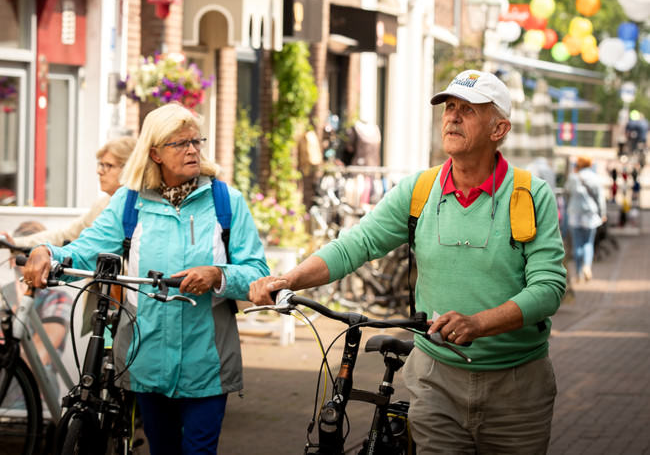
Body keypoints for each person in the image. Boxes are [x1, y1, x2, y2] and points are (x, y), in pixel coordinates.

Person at [250, 69, 567, 454]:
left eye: (468, 110)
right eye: (450, 107)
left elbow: (549, 288)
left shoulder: (530, 194)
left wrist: (479, 324)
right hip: (436, 380)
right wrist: (290, 279)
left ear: (498, 129)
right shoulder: (419, 189)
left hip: (518, 386)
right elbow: (357, 244)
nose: (451, 117)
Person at [23, 103, 269, 454]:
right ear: (154, 153)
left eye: (196, 141)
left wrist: (218, 275)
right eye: (180, 143)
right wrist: (49, 252)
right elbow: (88, 247)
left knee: (199, 450)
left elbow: (257, 273)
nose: (192, 150)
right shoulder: (128, 203)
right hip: (146, 357)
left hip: (208, 362)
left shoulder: (226, 202)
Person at [11, 135, 137, 250]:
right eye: (100, 164)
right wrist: (14, 243)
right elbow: (65, 235)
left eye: (108, 165)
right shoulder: (102, 205)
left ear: (129, 169)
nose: (99, 171)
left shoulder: (139, 208)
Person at [1, 221, 72, 396]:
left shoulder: (58, 299)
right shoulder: (3, 295)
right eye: (21, 255)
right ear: (11, 260)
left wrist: (22, 300)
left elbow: (39, 358)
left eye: (32, 257)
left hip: (39, 397)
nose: (28, 264)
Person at [565, 155, 606, 282]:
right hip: (590, 215)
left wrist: (569, 207)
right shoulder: (595, 178)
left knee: (577, 243)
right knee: (588, 242)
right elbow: (600, 198)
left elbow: (567, 194)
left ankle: (578, 272)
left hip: (575, 214)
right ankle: (587, 267)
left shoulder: (573, 177)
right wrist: (602, 213)